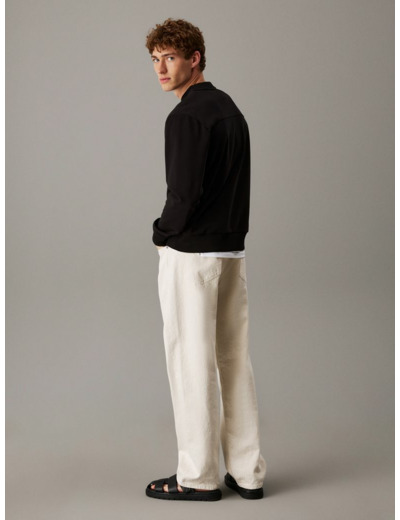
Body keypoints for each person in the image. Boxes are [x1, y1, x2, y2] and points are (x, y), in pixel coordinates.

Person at [144, 18, 267, 501]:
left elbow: (184, 194)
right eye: (155, 59)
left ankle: (197, 476)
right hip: (231, 251)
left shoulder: (186, 117)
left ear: (194, 59)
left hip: (193, 257)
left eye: (170, 58)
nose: (161, 68)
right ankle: (248, 472)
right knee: (233, 361)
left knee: (191, 363)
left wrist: (161, 233)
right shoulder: (230, 109)